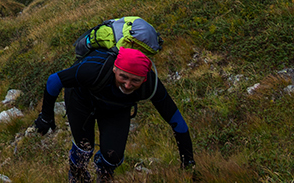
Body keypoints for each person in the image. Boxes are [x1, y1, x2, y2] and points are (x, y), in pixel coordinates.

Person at [33, 47, 194, 182]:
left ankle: (104, 174)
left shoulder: (151, 84)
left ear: (144, 79)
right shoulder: (93, 70)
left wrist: (187, 161)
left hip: (116, 109)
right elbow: (54, 80)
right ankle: (77, 175)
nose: (128, 85)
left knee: (113, 156)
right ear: (114, 69)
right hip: (81, 101)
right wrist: (46, 116)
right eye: (123, 77)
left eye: (135, 80)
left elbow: (176, 121)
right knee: (84, 148)